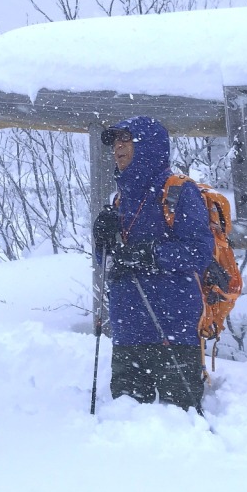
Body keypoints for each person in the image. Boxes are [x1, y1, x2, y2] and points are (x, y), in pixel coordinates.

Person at [93, 116, 213, 412]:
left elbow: (199, 252)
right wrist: (102, 242)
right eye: (114, 141)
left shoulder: (178, 192)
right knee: (125, 421)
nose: (117, 147)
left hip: (172, 329)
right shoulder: (120, 201)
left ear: (147, 146)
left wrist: (148, 255)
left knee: (181, 423)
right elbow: (109, 262)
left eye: (125, 139)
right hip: (127, 330)